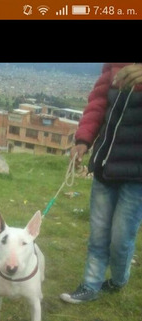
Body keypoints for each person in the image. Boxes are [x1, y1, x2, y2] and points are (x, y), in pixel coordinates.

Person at [60, 63, 142, 304]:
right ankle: (91, 285)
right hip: (105, 166)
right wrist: (83, 141)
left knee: (120, 237)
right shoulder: (113, 67)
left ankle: (118, 279)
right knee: (98, 234)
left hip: (137, 176)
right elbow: (97, 106)